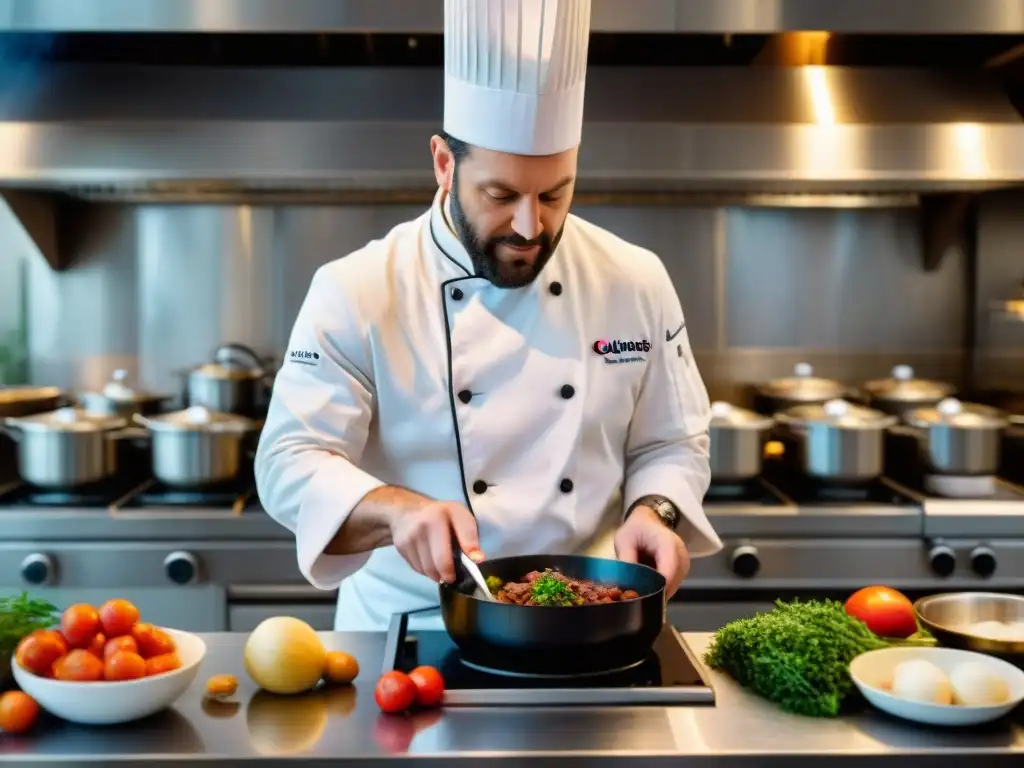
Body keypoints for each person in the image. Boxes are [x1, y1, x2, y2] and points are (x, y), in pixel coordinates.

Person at [255, 0, 722, 632]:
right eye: (501, 196)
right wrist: (394, 510)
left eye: (554, 194)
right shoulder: (358, 288)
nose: (531, 227)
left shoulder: (634, 278)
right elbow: (289, 458)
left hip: (589, 621)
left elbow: (672, 440)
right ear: (445, 165)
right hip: (411, 625)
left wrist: (655, 511)